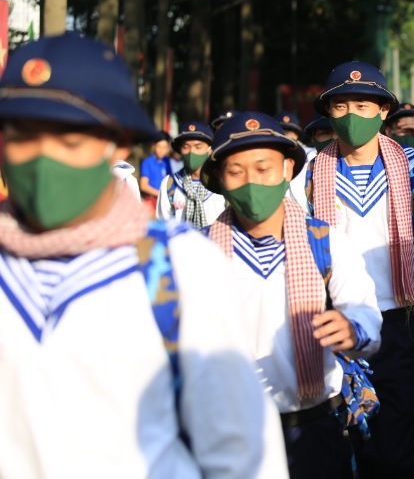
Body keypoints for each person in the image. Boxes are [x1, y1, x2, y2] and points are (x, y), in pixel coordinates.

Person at [0, 32, 284, 478]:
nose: (43, 159)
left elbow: (241, 451)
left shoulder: (178, 264)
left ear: (117, 141)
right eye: (23, 137)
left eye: (69, 139)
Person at [299, 61, 414, 479]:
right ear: (327, 113)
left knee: (395, 451)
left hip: (401, 322)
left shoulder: (413, 169)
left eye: (364, 105)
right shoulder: (309, 173)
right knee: (338, 446)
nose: (352, 115)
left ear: (384, 111)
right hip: (335, 325)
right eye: (340, 106)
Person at [200, 111, 382, 479]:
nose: (252, 183)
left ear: (286, 169)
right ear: (220, 179)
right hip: (229, 430)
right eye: (236, 172)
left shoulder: (325, 240)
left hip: (313, 424)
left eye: (264, 168)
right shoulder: (195, 251)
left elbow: (366, 314)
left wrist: (352, 328)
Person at [156, 121, 226, 229]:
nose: (191, 152)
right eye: (186, 147)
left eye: (198, 147)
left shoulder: (222, 184)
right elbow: (163, 223)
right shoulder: (170, 184)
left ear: (210, 150)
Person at [139, 132, 172, 213]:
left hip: (165, 201)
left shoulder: (167, 162)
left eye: (164, 147)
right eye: (159, 147)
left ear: (168, 149)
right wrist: (160, 194)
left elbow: (170, 181)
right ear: (154, 146)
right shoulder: (147, 162)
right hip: (151, 200)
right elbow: (143, 185)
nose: (161, 150)